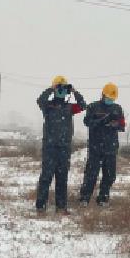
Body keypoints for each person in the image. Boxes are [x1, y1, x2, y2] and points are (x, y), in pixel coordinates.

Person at [35, 76, 86, 213]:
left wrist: (74, 91)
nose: (61, 91)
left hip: (64, 148)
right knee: (46, 177)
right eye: (59, 88)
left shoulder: (69, 107)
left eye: (64, 89)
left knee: (62, 178)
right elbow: (40, 100)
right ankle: (41, 206)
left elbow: (82, 105)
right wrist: (51, 89)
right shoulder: (48, 106)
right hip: (50, 147)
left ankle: (61, 207)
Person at [79, 82, 125, 207]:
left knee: (109, 175)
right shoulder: (93, 107)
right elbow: (88, 122)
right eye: (108, 97)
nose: (110, 100)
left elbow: (122, 126)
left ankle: (103, 198)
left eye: (112, 98)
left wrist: (115, 124)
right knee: (91, 174)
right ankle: (84, 198)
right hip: (95, 147)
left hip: (111, 148)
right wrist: (104, 120)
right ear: (103, 95)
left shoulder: (118, 109)